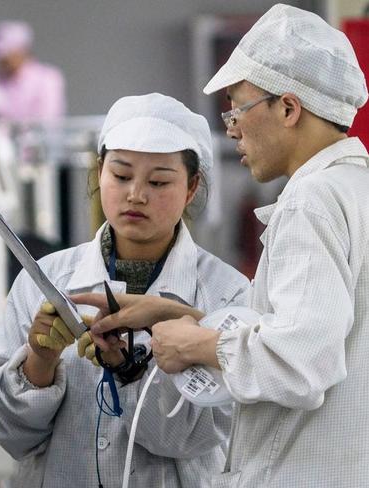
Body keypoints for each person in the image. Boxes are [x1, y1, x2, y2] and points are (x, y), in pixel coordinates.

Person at [75, 5, 369, 487]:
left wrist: (201, 344)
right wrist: (173, 315)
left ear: (288, 109)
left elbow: (303, 362)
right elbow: (296, 330)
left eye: (237, 109)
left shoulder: (309, 204)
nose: (230, 128)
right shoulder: (353, 188)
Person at [0, 92, 250, 487]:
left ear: (191, 188)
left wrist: (129, 369)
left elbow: (196, 437)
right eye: (121, 176)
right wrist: (40, 359)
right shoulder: (46, 280)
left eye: (158, 181)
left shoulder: (226, 295)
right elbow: (10, 434)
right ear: (99, 173)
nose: (136, 194)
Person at [0, 20, 65, 123]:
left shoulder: (47, 79)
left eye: (7, 55)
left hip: (37, 138)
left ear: (22, 50)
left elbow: (48, 122)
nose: (1, 60)